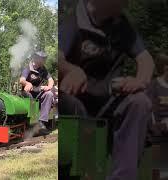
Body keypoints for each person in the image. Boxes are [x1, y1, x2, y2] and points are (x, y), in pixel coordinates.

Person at [59, 0, 155, 179]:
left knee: (139, 102)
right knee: (72, 106)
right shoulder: (73, 21)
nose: (127, 4)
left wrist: (139, 82)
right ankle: (83, 170)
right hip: (78, 100)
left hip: (110, 99)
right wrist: (71, 70)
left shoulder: (122, 25)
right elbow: (56, 56)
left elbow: (146, 60)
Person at [20, 51, 55, 130]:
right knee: (29, 96)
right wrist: (27, 83)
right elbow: (21, 80)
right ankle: (30, 121)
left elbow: (51, 80)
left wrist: (49, 87)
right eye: (43, 59)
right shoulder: (27, 68)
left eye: (44, 59)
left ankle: (41, 122)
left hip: (38, 93)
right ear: (36, 59)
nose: (44, 61)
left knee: (49, 94)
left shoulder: (43, 69)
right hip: (27, 93)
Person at [148, 53, 168, 135]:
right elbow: (150, 109)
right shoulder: (154, 85)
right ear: (166, 68)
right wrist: (155, 125)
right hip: (161, 124)